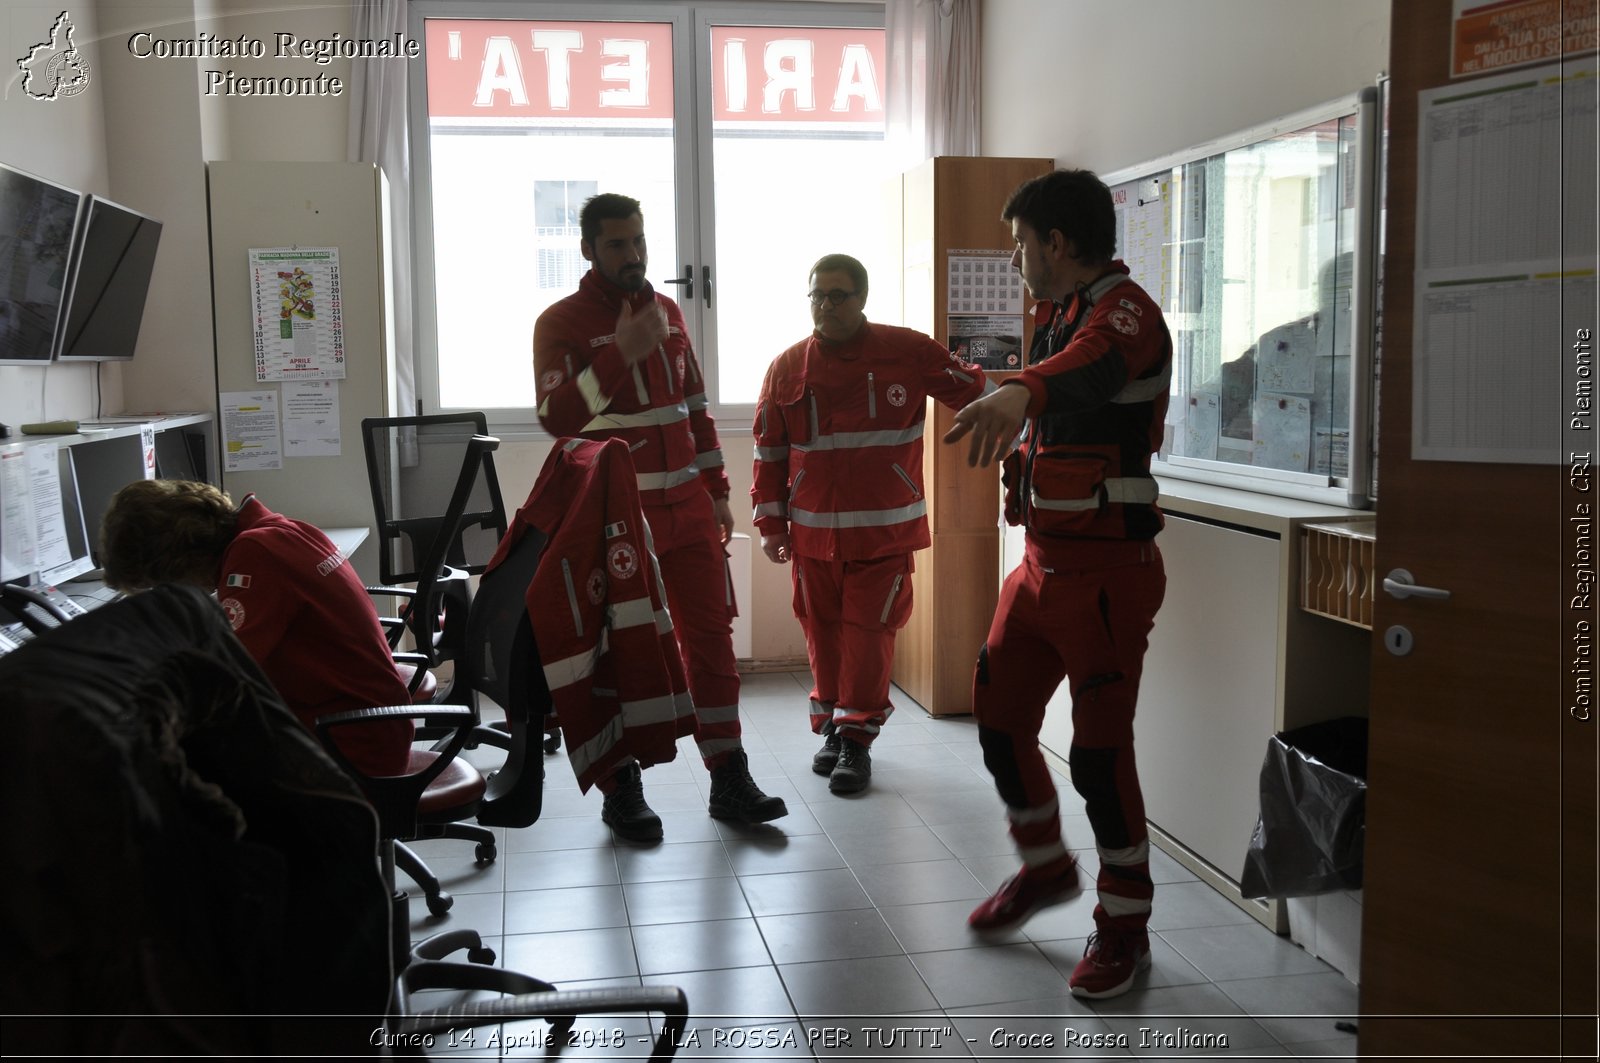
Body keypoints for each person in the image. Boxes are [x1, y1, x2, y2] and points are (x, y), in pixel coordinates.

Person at [943, 169, 1171, 1000]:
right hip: (1039, 566)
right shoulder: (1055, 315)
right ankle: (1045, 868)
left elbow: (1091, 371)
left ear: (1058, 244)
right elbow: (1055, 378)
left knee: (1100, 758)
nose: (1014, 258)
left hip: (1107, 576)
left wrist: (1023, 389)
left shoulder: (1124, 313)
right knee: (999, 725)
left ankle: (1124, 928)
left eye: (1021, 242)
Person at [533, 192, 786, 840]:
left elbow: (694, 407)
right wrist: (617, 351)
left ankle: (728, 775)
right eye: (618, 244)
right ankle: (623, 790)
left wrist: (720, 489)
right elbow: (558, 418)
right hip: (617, 519)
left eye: (639, 241)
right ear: (588, 248)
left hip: (690, 512)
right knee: (623, 654)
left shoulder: (669, 312)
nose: (633, 255)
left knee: (711, 645)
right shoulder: (560, 322)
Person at [752, 253, 992, 794]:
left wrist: (1019, 410)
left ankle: (856, 741)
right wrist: (771, 525)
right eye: (817, 295)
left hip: (884, 534)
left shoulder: (904, 350)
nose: (825, 305)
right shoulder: (787, 366)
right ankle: (833, 730)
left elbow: (974, 391)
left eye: (838, 295)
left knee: (868, 634)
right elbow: (769, 452)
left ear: (861, 299)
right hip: (813, 537)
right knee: (823, 633)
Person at [98, 479, 414, 778]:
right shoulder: (277, 529)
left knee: (169, 769)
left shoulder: (255, 555)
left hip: (351, 746)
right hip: (369, 725)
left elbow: (223, 674)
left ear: (177, 562)